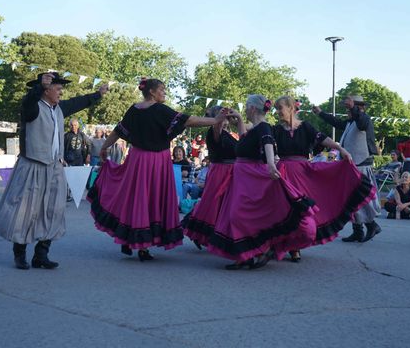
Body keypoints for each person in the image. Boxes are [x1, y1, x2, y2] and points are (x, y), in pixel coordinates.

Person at [87, 78, 229, 261]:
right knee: (151, 199)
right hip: (156, 161)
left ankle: (129, 239)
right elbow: (189, 120)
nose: (164, 93)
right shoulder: (160, 109)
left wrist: (105, 147)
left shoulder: (134, 109)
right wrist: (215, 120)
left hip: (137, 159)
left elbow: (118, 131)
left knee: (135, 198)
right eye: (162, 89)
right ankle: (142, 246)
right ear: (152, 92)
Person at [0, 73, 108, 270]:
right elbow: (28, 100)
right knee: (26, 211)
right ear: (45, 90)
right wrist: (38, 87)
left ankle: (41, 254)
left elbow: (77, 102)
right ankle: (20, 253)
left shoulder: (59, 109)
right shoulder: (31, 108)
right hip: (33, 165)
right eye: (57, 88)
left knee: (53, 210)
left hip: (54, 166)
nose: (61, 91)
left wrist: (97, 95)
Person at [206, 94, 316, 270]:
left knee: (238, 215)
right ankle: (245, 256)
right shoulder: (255, 128)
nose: (245, 111)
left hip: (250, 178)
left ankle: (257, 251)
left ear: (251, 108)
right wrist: (240, 120)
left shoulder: (264, 127)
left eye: (246, 108)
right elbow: (243, 140)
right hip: (242, 178)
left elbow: (268, 143)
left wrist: (271, 163)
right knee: (236, 215)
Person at [273, 95, 375, 262]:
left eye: (280, 108)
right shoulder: (276, 130)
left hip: (301, 174)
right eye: (276, 108)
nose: (277, 112)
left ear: (291, 108)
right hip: (282, 174)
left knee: (301, 211)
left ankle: (295, 246)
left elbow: (323, 139)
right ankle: (280, 244)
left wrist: (341, 149)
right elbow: (262, 138)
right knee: (281, 210)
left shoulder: (305, 127)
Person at [313, 95, 382, 243]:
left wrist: (353, 108)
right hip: (353, 166)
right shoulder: (351, 123)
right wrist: (320, 113)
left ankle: (371, 225)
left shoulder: (364, 120)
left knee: (360, 197)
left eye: (350, 107)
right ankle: (358, 230)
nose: (347, 110)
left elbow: (362, 123)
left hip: (361, 165)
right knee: (350, 198)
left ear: (359, 107)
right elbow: (336, 122)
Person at [183, 106, 243, 248]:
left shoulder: (229, 133)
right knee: (213, 203)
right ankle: (201, 232)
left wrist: (238, 119)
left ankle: (218, 234)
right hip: (220, 171)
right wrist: (219, 117)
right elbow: (217, 126)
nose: (227, 119)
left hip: (231, 171)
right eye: (225, 117)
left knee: (224, 204)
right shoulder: (215, 131)